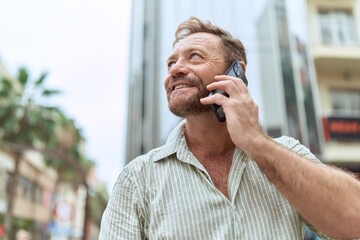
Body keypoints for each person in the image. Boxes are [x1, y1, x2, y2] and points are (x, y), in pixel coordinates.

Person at [99, 17, 360, 239]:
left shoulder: (287, 153)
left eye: (194, 57)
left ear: (236, 73)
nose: (176, 69)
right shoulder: (137, 179)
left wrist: (256, 142)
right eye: (170, 63)